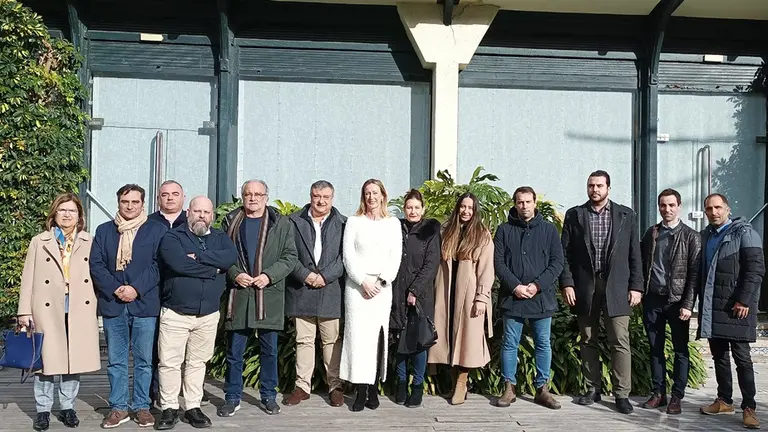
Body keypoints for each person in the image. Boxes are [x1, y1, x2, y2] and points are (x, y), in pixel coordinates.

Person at [559, 170, 643, 414]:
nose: (594, 190)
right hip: (586, 286)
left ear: (608, 188)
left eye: (599, 186)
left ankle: (621, 394)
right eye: (590, 185)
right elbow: (565, 254)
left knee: (620, 340)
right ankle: (592, 389)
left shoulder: (626, 215)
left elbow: (634, 254)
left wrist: (636, 286)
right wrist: (567, 283)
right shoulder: (575, 215)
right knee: (588, 339)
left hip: (616, 286)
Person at [17, 193, 101, 432]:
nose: (66, 214)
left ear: (79, 216)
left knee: (72, 361)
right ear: (54, 214)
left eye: (71, 211)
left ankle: (68, 407)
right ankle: (43, 410)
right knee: (45, 362)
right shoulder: (39, 241)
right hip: (46, 308)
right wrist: (24, 311)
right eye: (62, 210)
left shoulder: (89, 240)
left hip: (79, 307)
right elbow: (28, 278)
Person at [155, 196, 237, 429]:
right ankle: (169, 408)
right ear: (188, 212)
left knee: (197, 362)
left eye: (206, 212)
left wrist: (199, 257)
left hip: (208, 314)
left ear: (212, 215)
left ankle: (193, 407)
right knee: (170, 363)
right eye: (198, 211)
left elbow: (229, 258)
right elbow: (178, 264)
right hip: (176, 312)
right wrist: (214, 269)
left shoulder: (221, 237)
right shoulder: (173, 237)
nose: (202, 215)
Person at [90, 184, 167, 428]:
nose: (130, 206)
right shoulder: (104, 231)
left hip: (144, 304)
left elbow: (159, 265)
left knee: (145, 360)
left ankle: (142, 406)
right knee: (116, 359)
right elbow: (96, 264)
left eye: (135, 202)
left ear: (143, 204)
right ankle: (119, 407)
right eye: (126, 202)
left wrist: (135, 289)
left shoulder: (157, 230)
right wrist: (115, 288)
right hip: (113, 304)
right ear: (119, 203)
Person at [218, 179, 298, 417]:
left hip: (268, 296)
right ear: (243, 197)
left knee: (269, 351)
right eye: (248, 194)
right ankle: (232, 397)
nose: (252, 198)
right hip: (240, 294)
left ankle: (268, 396)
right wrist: (235, 273)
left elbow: (290, 256)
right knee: (234, 352)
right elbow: (222, 254)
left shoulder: (280, 223)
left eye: (257, 194)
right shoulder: (231, 221)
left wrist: (268, 276)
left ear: (266, 196)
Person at [698, 193, 765, 429]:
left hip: (738, 308)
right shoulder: (706, 235)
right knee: (719, 357)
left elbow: (756, 269)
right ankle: (725, 400)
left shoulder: (745, 233)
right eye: (709, 208)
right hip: (714, 307)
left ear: (728, 209)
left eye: (718, 207)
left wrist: (744, 300)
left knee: (742, 358)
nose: (713, 212)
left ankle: (749, 407)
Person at [494, 186, 564, 409]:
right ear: (515, 204)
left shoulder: (549, 230)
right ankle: (509, 387)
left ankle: (542, 388)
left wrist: (537, 285)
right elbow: (499, 263)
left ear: (535, 203)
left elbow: (557, 263)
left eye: (528, 201)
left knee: (543, 343)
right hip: (512, 297)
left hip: (541, 298)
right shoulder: (504, 230)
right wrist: (515, 286)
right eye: (520, 202)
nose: (524, 206)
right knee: (510, 343)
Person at [339, 179, 403, 412]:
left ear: (383, 195)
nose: (371, 197)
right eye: (367, 193)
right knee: (358, 338)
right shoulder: (354, 222)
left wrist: (382, 280)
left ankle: (374, 387)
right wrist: (363, 281)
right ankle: (360, 389)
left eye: (375, 193)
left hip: (382, 289)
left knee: (377, 338)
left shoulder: (393, 223)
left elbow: (395, 256)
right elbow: (348, 256)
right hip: (357, 288)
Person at [284, 181, 347, 407]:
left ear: (333, 198)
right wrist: (306, 275)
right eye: (316, 196)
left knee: (332, 341)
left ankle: (335, 386)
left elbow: (345, 257)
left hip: (331, 290)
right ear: (310, 195)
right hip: (302, 289)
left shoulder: (343, 223)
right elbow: (288, 253)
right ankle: (302, 386)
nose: (320, 201)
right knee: (304, 340)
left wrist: (325, 276)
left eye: (326, 197)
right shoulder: (293, 221)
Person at [428, 192, 494, 406]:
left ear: (475, 211)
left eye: (470, 208)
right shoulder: (446, 230)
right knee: (448, 336)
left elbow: (486, 269)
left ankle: (462, 383)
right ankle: (454, 379)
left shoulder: (482, 235)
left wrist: (482, 297)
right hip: (446, 291)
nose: (466, 211)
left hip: (469, 294)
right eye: (463, 207)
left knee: (467, 338)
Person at [640, 188, 701, 414]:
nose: (667, 209)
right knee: (655, 349)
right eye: (663, 205)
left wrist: (688, 304)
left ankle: (677, 396)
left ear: (679, 206)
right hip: (653, 300)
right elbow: (642, 264)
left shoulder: (691, 236)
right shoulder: (652, 233)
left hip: (677, 302)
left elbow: (694, 274)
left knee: (680, 350)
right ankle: (658, 393)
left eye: (671, 205)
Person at [390, 189, 440, 408]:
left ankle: (417, 386)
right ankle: (401, 384)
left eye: (416, 208)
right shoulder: (395, 228)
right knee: (399, 340)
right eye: (409, 207)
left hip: (420, 297)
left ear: (423, 209)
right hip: (396, 293)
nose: (412, 211)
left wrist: (415, 291)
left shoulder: (430, 231)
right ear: (404, 209)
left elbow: (431, 264)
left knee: (419, 343)